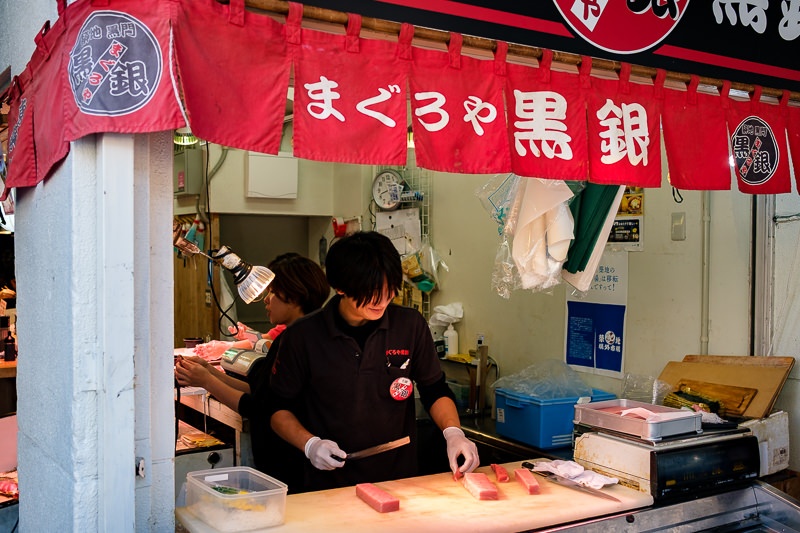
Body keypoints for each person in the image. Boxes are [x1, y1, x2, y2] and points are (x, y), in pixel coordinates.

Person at [269, 231, 479, 491]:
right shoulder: (303, 336)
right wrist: (310, 444)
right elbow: (277, 409)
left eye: (389, 289)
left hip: (400, 481)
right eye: (371, 292)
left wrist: (453, 433)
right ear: (341, 286)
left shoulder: (410, 326)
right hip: (330, 484)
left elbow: (434, 389)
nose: (382, 300)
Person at [175, 253, 330, 492]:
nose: (266, 300)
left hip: (293, 464)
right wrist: (209, 371)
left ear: (294, 295)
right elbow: (259, 389)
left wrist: (206, 381)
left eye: (272, 292)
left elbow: (256, 406)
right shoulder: (297, 336)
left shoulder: (297, 341)